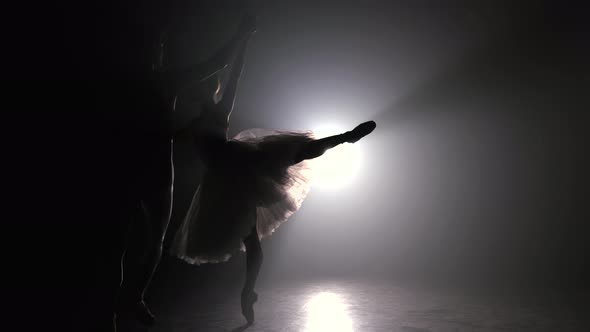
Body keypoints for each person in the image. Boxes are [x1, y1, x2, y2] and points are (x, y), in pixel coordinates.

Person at [170, 17, 376, 324]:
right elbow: (167, 136)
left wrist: (243, 40)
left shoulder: (217, 111)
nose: (201, 92)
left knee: (295, 152)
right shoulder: (192, 122)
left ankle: (345, 137)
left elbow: (235, 76)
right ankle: (247, 291)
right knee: (251, 238)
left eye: (202, 89)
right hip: (227, 178)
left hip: (238, 165)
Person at [115, 15, 259, 328]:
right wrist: (241, 36)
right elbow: (215, 64)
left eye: (162, 45)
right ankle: (129, 300)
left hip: (141, 163)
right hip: (150, 166)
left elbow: (216, 72)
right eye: (159, 46)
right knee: (147, 239)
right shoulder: (163, 81)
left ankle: (128, 301)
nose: (162, 51)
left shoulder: (139, 82)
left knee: (136, 240)